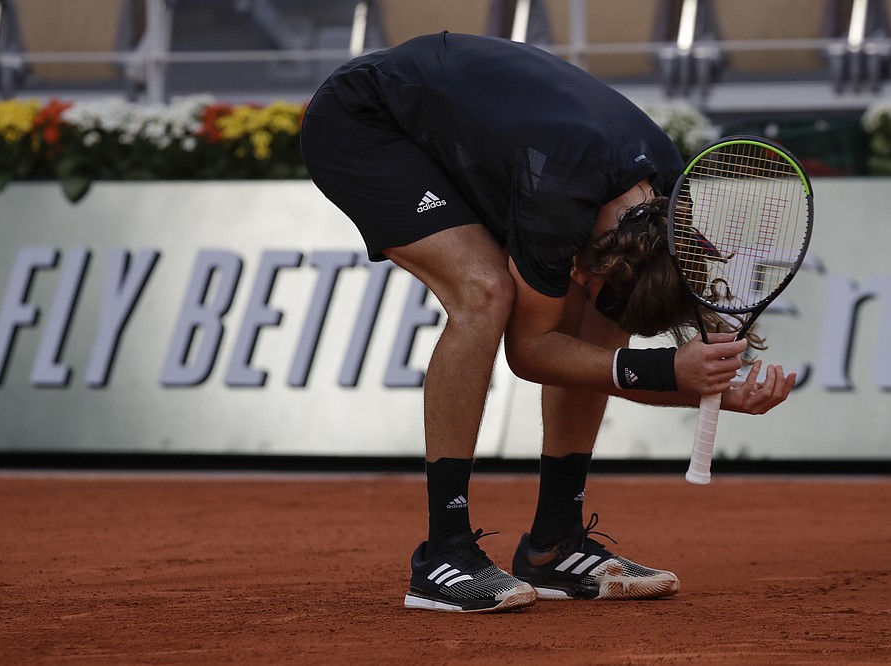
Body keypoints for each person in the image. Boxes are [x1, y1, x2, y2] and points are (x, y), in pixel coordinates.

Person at [300, 32, 796, 614]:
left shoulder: (663, 190)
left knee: (597, 316)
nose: (576, 287)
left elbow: (606, 355)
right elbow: (531, 352)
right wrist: (667, 370)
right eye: (587, 275)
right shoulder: (557, 192)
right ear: (597, 253)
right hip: (366, 119)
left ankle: (554, 544)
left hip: (474, 127)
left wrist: (706, 387)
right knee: (485, 292)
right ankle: (443, 553)